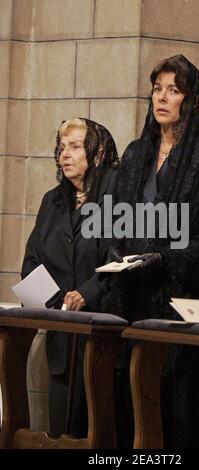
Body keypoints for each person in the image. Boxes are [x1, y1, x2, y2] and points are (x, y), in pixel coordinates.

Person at [102, 54, 199, 448]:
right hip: (129, 301)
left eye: (173, 90)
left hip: (181, 301)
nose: (162, 97)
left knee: (176, 418)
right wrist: (116, 252)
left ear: (190, 100)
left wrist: (164, 258)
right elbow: (114, 219)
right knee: (128, 415)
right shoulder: (134, 153)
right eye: (157, 88)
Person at [21, 117, 119, 438]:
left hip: (104, 340)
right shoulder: (52, 200)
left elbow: (121, 260)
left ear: (98, 152)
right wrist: (57, 304)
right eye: (62, 148)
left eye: (75, 147)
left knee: (98, 436)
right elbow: (32, 262)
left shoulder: (117, 196)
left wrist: (86, 294)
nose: (65, 155)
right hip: (62, 339)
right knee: (60, 435)